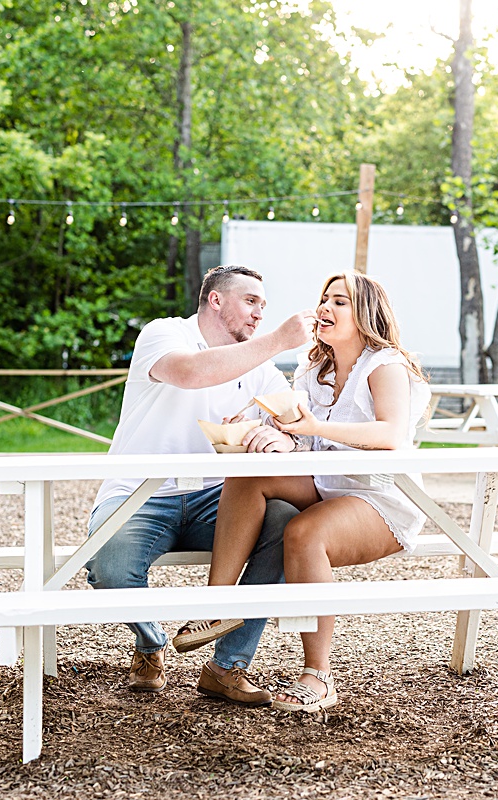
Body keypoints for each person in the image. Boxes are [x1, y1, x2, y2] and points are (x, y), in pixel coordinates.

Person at [85, 264, 315, 705]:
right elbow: (191, 373)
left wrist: (276, 437)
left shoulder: (260, 366)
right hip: (140, 491)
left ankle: (227, 666)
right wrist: (280, 341)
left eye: (264, 307)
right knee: (109, 568)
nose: (259, 315)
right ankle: (151, 643)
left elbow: (292, 425)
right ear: (216, 300)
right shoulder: (164, 333)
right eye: (251, 302)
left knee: (288, 525)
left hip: (219, 497)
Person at [205, 271, 430, 712]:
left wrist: (310, 427)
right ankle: (214, 606)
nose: (325, 308)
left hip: (381, 497)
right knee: (248, 473)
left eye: (340, 302)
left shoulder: (386, 365)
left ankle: (319, 676)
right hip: (328, 483)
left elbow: (390, 434)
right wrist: (261, 430)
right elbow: (299, 436)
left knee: (304, 534)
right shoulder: (314, 369)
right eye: (324, 299)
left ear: (366, 314)